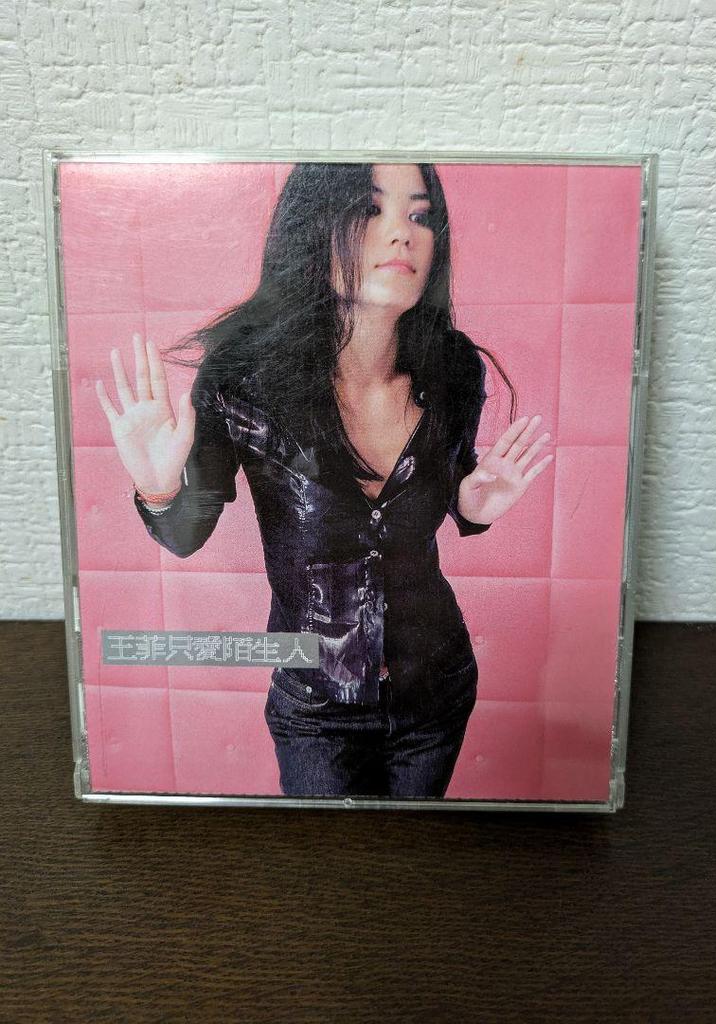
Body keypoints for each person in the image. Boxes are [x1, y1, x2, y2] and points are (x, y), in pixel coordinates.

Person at [95, 162, 553, 799]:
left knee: (413, 850)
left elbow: (454, 487)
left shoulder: (452, 367)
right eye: (371, 209)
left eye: (420, 215)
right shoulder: (244, 379)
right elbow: (184, 535)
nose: (402, 233)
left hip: (437, 687)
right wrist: (157, 488)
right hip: (314, 703)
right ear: (314, 227)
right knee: (327, 856)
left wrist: (472, 505)